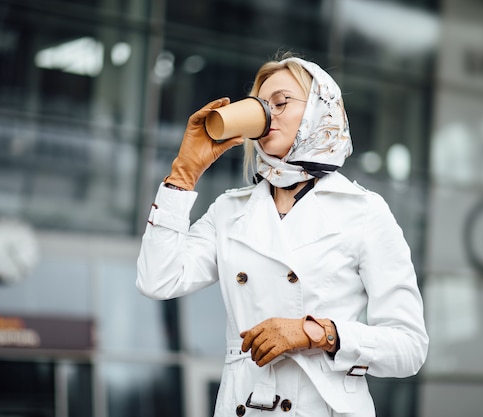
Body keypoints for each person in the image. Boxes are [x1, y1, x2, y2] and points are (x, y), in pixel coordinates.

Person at [136, 53, 428, 417]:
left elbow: (409, 347)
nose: (267, 114)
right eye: (260, 105)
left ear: (319, 110)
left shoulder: (364, 211)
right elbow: (157, 279)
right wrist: (183, 173)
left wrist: (316, 333)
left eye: (281, 102)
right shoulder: (230, 210)